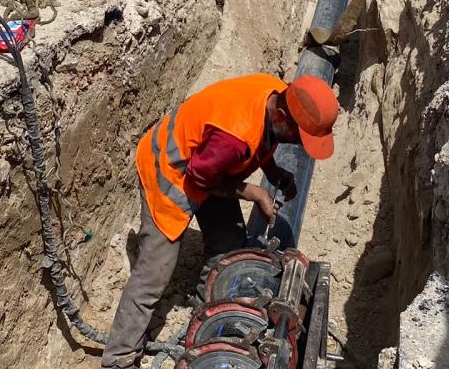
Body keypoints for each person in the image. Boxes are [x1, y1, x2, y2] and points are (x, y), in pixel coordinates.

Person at [100, 73, 340, 369]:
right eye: (298, 137)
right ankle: (118, 359)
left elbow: (262, 137)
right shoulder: (234, 135)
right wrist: (255, 193)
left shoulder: (276, 94)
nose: (299, 146)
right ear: (281, 116)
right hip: (172, 171)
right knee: (153, 276)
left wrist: (274, 172)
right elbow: (199, 178)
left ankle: (210, 311)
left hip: (209, 163)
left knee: (229, 248)